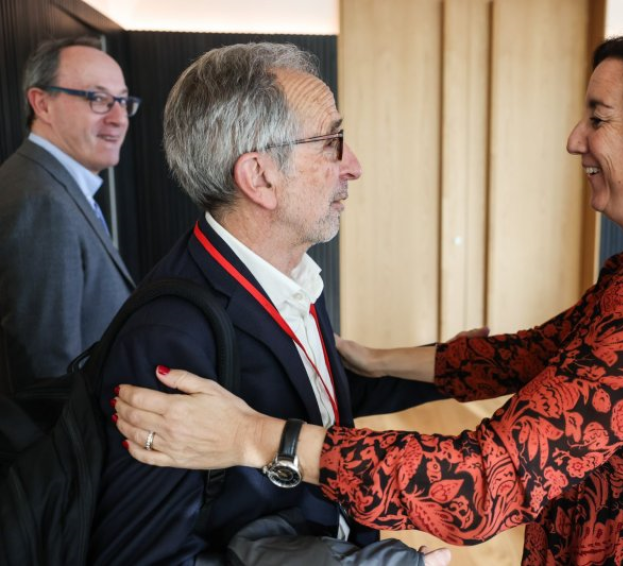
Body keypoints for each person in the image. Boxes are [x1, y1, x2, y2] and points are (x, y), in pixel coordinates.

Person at [113, 25, 623, 565]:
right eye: (334, 142)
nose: (574, 139)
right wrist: (375, 361)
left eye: (599, 117)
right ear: (259, 177)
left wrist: (257, 437)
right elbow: (532, 356)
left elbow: (485, 482)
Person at [89, 42, 450, 565]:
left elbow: (314, 399)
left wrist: (473, 368)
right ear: (259, 176)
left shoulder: (286, 271)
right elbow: (144, 557)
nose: (353, 166)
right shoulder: (170, 336)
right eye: (332, 142)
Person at [0, 37, 136, 395]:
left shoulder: (54, 186)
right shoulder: (39, 201)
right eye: (98, 99)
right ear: (42, 103)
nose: (118, 118)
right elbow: (48, 371)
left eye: (122, 101)